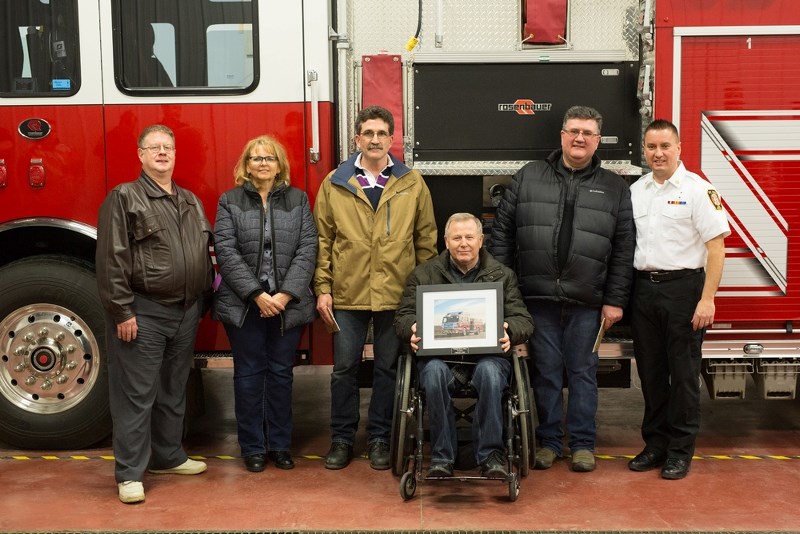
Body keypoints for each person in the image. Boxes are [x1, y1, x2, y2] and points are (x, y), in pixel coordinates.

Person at [490, 105, 635, 472]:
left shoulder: (615, 187)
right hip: (537, 298)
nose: (580, 138)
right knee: (547, 372)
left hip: (588, 301)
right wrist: (504, 295)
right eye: (574, 131)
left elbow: (623, 249)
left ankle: (584, 444)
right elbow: (502, 237)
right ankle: (550, 442)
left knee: (584, 372)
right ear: (562, 136)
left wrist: (615, 300)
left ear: (597, 141)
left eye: (587, 133)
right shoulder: (528, 177)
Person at [314, 105, 438, 470]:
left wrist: (421, 294)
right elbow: (322, 240)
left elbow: (426, 241)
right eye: (368, 133)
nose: (374, 140)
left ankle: (381, 437)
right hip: (348, 294)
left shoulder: (411, 182)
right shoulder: (335, 182)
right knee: (344, 369)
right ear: (357, 139)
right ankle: (341, 439)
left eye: (382, 133)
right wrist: (323, 287)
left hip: (395, 295)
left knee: (388, 368)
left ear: (391, 139)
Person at [96, 124, 214, 504]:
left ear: (175, 155)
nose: (162, 153)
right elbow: (112, 259)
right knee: (136, 395)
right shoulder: (124, 197)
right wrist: (122, 311)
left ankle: (168, 456)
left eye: (168, 147)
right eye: (154, 147)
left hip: (185, 312)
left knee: (172, 390)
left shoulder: (190, 200)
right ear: (141, 155)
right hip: (143, 313)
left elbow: (204, 255)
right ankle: (130, 473)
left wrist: (201, 304)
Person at [628, 119, 730, 480]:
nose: (658, 153)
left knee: (684, 375)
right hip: (644, 291)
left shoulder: (698, 190)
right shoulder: (637, 190)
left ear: (679, 148)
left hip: (684, 290)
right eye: (651, 147)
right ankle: (655, 445)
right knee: (652, 374)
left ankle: (680, 451)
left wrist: (708, 300)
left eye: (664, 147)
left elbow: (716, 248)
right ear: (644, 149)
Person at [395, 213, 534, 478]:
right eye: (456, 238)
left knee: (491, 374)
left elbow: (523, 319)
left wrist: (509, 329)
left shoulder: (502, 276)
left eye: (469, 237)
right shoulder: (423, 274)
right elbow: (403, 316)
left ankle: (491, 456)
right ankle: (441, 457)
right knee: (433, 374)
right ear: (446, 242)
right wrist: (412, 327)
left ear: (481, 240)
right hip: (441, 359)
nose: (463, 243)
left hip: (487, 357)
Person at [213, 135, 318, 473]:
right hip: (244, 306)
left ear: (279, 166)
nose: (262, 163)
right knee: (248, 376)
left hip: (288, 306)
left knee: (280, 376)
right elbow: (225, 252)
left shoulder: (298, 200)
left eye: (269, 158)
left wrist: (285, 295)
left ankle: (280, 445)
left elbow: (308, 248)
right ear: (246, 165)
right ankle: (253, 448)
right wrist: (257, 295)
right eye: (256, 158)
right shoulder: (229, 201)